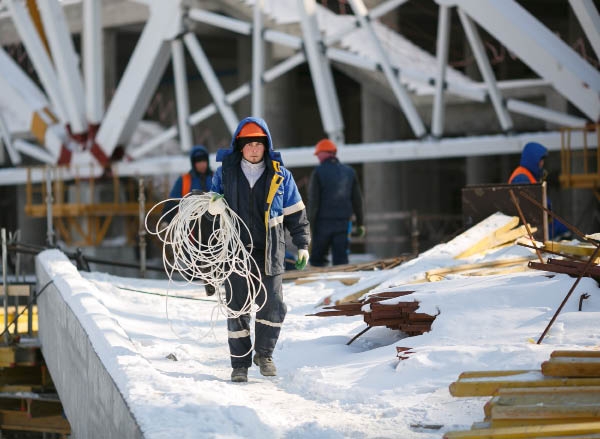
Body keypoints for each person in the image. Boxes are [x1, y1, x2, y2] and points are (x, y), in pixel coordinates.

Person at [209, 117, 310, 383]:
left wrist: (302, 245)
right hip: (236, 252)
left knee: (273, 305)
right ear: (239, 147)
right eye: (249, 144)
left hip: (271, 252)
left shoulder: (280, 175)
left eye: (258, 144)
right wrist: (212, 208)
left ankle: (264, 355)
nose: (254, 149)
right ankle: (239, 365)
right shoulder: (225, 174)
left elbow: (296, 213)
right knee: (237, 307)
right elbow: (209, 211)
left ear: (266, 146)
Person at [162, 145, 216, 295]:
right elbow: (173, 201)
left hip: (214, 226)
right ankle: (199, 275)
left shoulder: (217, 178)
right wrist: (166, 219)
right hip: (191, 229)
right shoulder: (185, 180)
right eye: (198, 161)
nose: (201, 164)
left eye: (203, 160)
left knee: (213, 254)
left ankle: (211, 275)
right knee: (193, 266)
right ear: (193, 163)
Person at [308, 138, 365, 267]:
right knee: (341, 261)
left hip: (322, 224)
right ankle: (342, 287)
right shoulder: (349, 172)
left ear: (324, 153)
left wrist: (309, 225)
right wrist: (361, 223)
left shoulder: (318, 172)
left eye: (318, 154)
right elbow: (357, 200)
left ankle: (318, 286)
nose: (318, 157)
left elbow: (313, 201)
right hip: (343, 224)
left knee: (317, 261)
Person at [509, 141, 568, 239]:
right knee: (562, 229)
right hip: (529, 226)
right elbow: (528, 204)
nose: (542, 163)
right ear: (533, 159)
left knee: (561, 227)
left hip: (534, 223)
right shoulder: (522, 177)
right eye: (540, 160)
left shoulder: (528, 175)